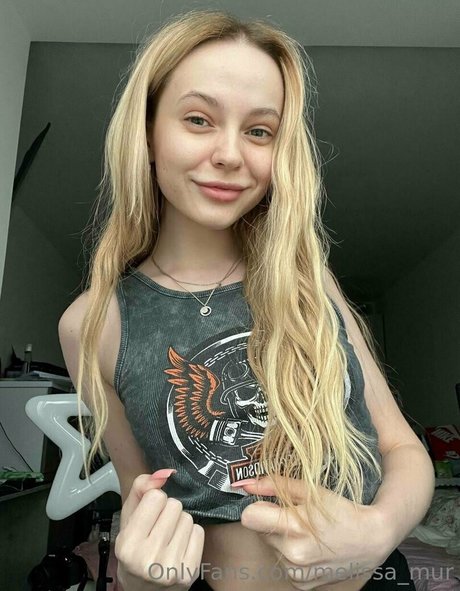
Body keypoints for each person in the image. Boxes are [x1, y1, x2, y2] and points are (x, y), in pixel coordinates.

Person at [58, 10, 434, 591]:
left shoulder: (309, 280)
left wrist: (380, 529)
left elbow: (402, 448)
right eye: (198, 119)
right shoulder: (93, 323)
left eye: (259, 131)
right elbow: (143, 507)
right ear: (148, 133)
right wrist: (140, 580)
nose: (230, 154)